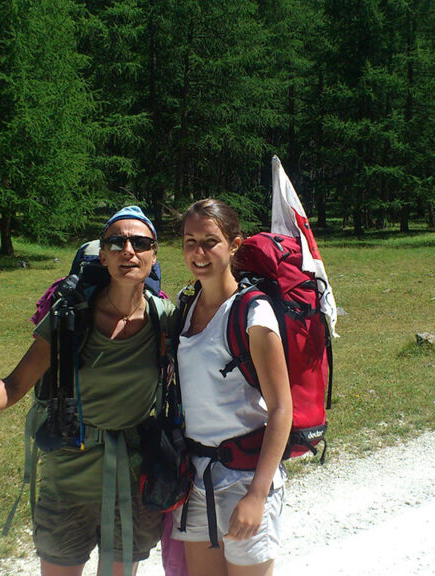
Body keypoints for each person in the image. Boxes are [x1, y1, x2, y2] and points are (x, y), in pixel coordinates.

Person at [0, 206, 174, 576]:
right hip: (68, 477)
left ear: (153, 254)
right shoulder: (70, 318)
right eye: (117, 242)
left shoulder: (165, 318)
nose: (129, 250)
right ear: (104, 255)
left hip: (132, 479)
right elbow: (14, 385)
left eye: (140, 242)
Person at [171, 199, 293, 576]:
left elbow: (280, 409)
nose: (199, 252)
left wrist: (257, 496)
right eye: (190, 241)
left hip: (244, 478)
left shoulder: (253, 313)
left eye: (211, 241)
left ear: (235, 245)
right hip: (195, 479)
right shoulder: (185, 305)